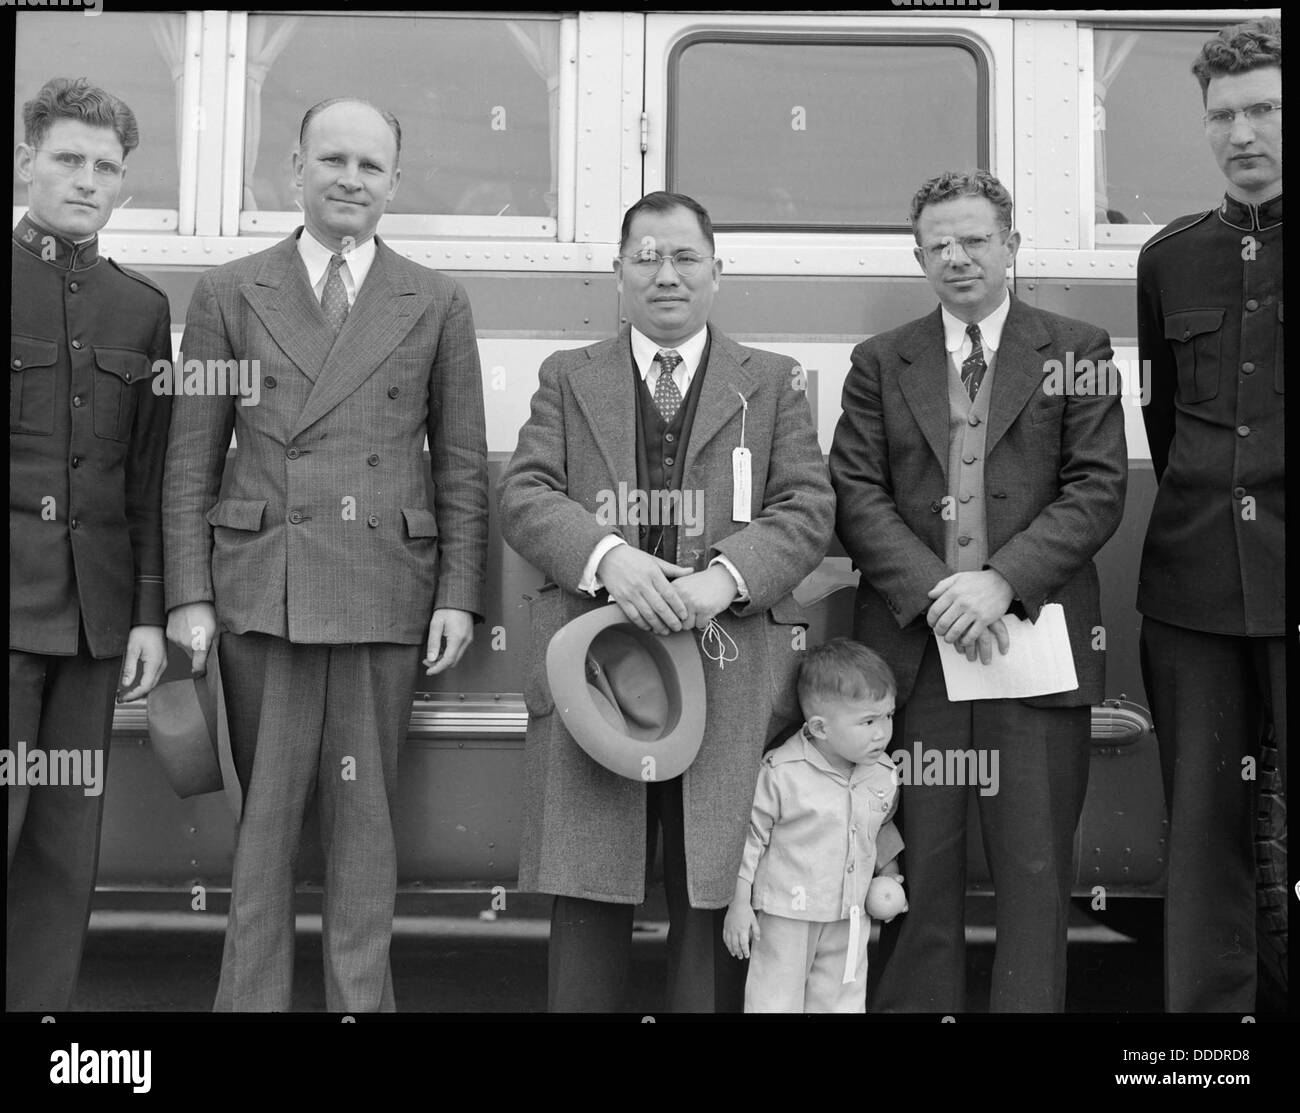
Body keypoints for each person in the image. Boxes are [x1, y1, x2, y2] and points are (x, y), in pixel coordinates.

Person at [163, 98, 488, 1012]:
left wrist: (459, 593)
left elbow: (460, 459)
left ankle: (359, 1002)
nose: (351, 179)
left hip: (386, 587)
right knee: (262, 826)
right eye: (333, 159)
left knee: (367, 826)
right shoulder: (229, 291)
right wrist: (189, 593)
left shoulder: (437, 297)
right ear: (293, 167)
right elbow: (192, 454)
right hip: (265, 587)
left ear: (395, 182)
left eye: (371, 166)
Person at [498, 190, 835, 1012]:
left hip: (725, 667)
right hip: (601, 670)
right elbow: (525, 493)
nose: (666, 274)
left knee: (711, 891)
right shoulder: (566, 376)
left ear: (717, 272)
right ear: (618, 273)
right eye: (646, 257)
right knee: (589, 888)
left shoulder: (777, 381)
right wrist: (609, 559)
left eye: (685, 257)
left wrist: (723, 577)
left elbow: (808, 508)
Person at [830, 169, 1127, 1012]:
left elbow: (1098, 489)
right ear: (919, 254)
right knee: (918, 866)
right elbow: (856, 492)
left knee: (1035, 872)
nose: (956, 257)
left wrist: (1001, 582)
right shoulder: (880, 361)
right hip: (912, 657)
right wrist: (935, 592)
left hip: (1032, 649)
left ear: (1011, 245)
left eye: (974, 240)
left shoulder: (1081, 350)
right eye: (938, 245)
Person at [8, 77, 172, 1011]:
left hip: (93, 625)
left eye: (106, 167)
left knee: (65, 848)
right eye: (68, 159)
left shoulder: (137, 309)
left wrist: (147, 613)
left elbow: (146, 478)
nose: (86, 180)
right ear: (27, 159)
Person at [1135, 17, 1283, 1013]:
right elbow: (1163, 412)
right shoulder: (1169, 260)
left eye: (1265, 109)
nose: (1242, 133)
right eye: (1222, 115)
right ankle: (1211, 1040)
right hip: (1192, 586)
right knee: (1201, 827)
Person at [723, 638, 905, 1013]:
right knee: (774, 1000)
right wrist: (739, 904)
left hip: (849, 914)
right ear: (821, 728)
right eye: (868, 721)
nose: (882, 732)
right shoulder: (782, 772)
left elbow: (880, 823)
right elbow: (751, 839)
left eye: (887, 716)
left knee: (842, 1000)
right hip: (787, 915)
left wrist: (890, 873)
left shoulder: (883, 773)